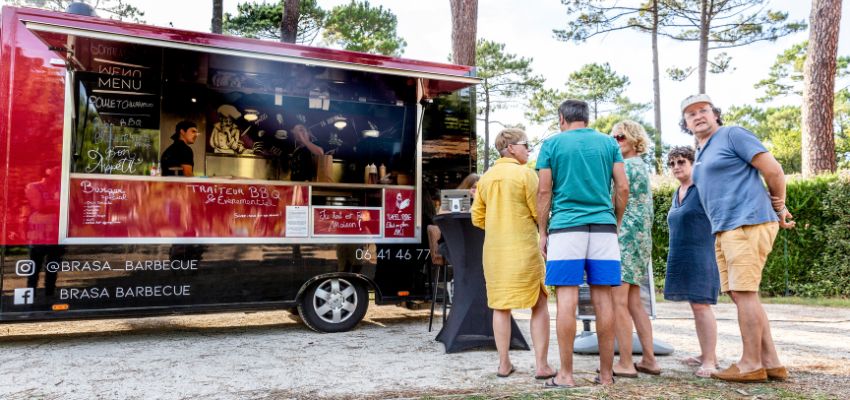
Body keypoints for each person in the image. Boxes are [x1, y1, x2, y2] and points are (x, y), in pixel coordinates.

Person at [680, 94, 795, 383]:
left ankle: (750, 364)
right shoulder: (702, 151)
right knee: (739, 293)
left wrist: (779, 206)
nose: (698, 116)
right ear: (686, 123)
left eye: (703, 110)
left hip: (747, 222)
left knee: (744, 292)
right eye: (691, 114)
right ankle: (770, 361)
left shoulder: (733, 135)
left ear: (715, 114)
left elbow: (773, 170)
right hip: (725, 228)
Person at [536, 99, 629, 387]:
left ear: (562, 118)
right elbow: (623, 187)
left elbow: (544, 191)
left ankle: (566, 375)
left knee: (567, 299)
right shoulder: (609, 143)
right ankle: (606, 375)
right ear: (586, 119)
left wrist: (542, 231)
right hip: (603, 227)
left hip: (566, 228)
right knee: (604, 300)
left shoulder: (552, 144)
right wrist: (615, 221)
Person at [471, 128, 556, 381]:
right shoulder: (526, 174)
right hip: (524, 250)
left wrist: (498, 224)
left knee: (501, 306)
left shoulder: (485, 178)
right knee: (539, 302)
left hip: (494, 253)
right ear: (510, 148)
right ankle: (541, 365)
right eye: (525, 145)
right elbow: (538, 212)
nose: (529, 149)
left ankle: (503, 364)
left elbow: (477, 218)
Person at [663, 145, 721, 378]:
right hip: (681, 255)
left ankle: (710, 361)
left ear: (693, 163)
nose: (676, 167)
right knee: (695, 306)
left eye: (681, 162)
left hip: (702, 255)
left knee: (701, 305)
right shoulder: (677, 192)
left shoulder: (704, 188)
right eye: (672, 163)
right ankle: (706, 353)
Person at [609, 120, 660, 377]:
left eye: (621, 136)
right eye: (613, 137)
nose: (616, 140)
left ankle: (626, 363)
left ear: (633, 139)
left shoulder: (626, 166)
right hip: (640, 239)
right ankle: (649, 359)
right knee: (634, 302)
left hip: (624, 238)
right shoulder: (641, 165)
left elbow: (615, 199)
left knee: (618, 301)